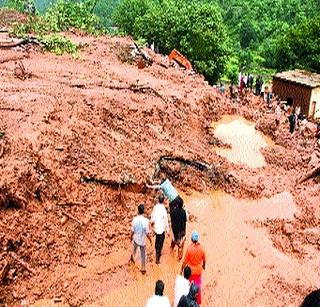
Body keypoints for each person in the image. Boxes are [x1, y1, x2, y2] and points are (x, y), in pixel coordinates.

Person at [181, 231, 206, 305]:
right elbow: (204, 259)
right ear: (197, 239)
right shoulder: (201, 248)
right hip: (198, 272)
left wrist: (181, 269)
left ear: (191, 239)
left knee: (189, 288)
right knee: (198, 287)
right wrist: (204, 266)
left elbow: (184, 262)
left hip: (191, 272)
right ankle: (198, 303)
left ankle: (189, 303)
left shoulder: (189, 249)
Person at [130, 204, 151, 274]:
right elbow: (147, 233)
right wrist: (150, 239)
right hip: (142, 241)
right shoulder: (146, 221)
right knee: (143, 254)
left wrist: (130, 237)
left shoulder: (134, 220)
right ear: (144, 211)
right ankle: (143, 268)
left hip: (136, 239)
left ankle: (132, 258)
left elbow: (132, 231)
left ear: (138, 211)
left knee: (134, 249)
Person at [150, 194, 170, 264]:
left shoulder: (155, 207)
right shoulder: (164, 209)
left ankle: (157, 253)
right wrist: (168, 230)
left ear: (158, 200)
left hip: (156, 229)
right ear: (163, 200)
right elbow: (166, 220)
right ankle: (157, 259)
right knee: (160, 243)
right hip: (161, 230)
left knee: (157, 241)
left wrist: (151, 223)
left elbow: (152, 216)